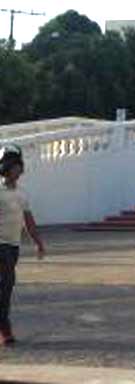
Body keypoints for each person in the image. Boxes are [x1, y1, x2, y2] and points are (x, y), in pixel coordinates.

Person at [0, 144, 45, 346]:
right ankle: (5, 329)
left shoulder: (22, 193)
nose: (18, 169)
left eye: (20, 165)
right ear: (5, 167)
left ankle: (4, 326)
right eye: (14, 165)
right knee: (5, 284)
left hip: (13, 246)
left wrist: (38, 242)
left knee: (6, 287)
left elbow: (28, 220)